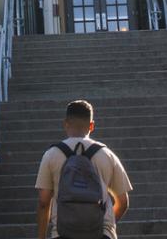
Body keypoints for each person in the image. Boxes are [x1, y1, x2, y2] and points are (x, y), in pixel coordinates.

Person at [35, 99, 131, 239]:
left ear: (65, 123)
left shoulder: (51, 155)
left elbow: (44, 202)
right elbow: (123, 202)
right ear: (91, 126)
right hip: (101, 234)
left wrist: (41, 237)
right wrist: (106, 225)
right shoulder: (107, 154)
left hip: (63, 233)